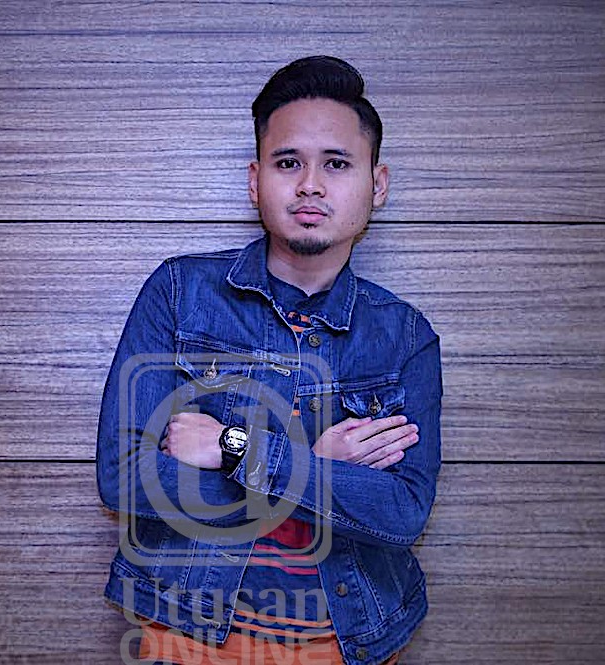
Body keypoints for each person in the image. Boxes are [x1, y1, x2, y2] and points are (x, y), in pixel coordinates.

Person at [96, 55, 442, 665]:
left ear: (378, 184)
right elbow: (124, 476)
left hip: (354, 637)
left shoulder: (405, 337)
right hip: (187, 630)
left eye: (337, 163)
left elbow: (402, 513)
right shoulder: (178, 294)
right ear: (256, 181)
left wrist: (235, 450)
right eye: (288, 163)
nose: (310, 184)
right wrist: (319, 469)